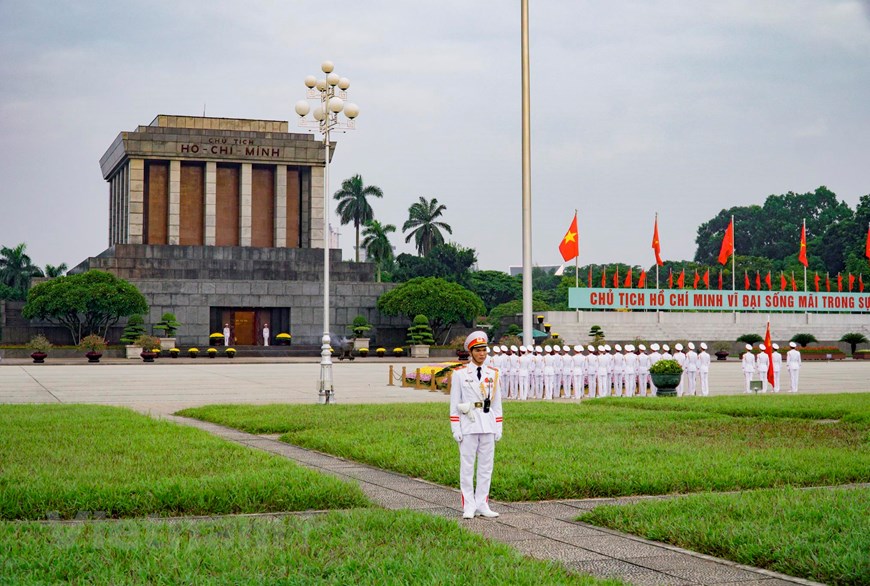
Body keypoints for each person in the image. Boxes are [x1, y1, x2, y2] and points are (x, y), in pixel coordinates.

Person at [449, 331, 503, 519]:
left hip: (487, 423)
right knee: (467, 466)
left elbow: (497, 404)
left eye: (484, 350)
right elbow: (454, 404)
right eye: (478, 350)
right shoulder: (460, 374)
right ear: (470, 352)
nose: (482, 354)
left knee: (486, 467)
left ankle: (482, 503)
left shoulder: (493, 374)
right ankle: (469, 505)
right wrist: (456, 428)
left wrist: (498, 426)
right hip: (469, 424)